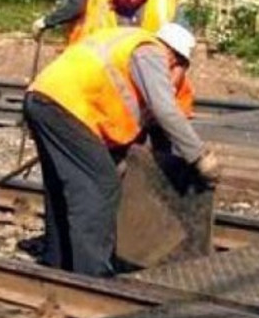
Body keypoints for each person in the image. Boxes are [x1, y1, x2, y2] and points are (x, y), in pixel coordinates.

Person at [22, 23, 221, 277]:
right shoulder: (150, 53)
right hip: (66, 107)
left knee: (63, 185)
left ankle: (58, 261)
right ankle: (91, 274)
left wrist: (172, 168)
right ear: (175, 58)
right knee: (100, 184)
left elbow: (159, 129)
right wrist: (199, 157)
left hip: (42, 99)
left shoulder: (129, 45)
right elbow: (164, 110)